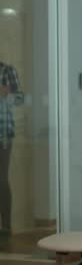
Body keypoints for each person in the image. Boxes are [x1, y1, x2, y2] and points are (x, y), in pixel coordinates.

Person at [0, 61, 21, 235]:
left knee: (1, 179)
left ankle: (6, 226)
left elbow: (22, 99)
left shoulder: (7, 70)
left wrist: (7, 94)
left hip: (3, 134)